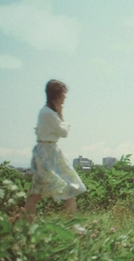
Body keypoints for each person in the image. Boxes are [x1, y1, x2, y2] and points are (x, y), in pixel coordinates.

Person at [23, 80, 87, 222]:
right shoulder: (49, 114)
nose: (65, 98)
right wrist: (61, 113)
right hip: (47, 152)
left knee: (66, 188)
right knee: (38, 193)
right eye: (63, 95)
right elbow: (64, 132)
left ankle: (72, 224)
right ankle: (27, 226)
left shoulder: (47, 112)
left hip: (49, 151)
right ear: (57, 96)